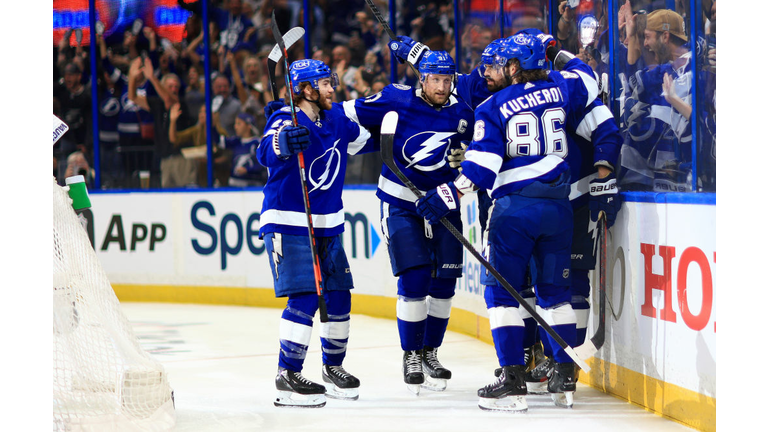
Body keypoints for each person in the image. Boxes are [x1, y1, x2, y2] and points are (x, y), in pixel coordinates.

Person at [415, 32, 618, 412]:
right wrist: (559, 52)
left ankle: (512, 381)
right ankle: (564, 375)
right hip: (558, 210)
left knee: (502, 293)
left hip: (515, 211)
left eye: (497, 65)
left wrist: (445, 196)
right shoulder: (560, 87)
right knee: (554, 295)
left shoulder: (493, 106)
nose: (489, 71)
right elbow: (586, 77)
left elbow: (482, 168)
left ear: (512, 68)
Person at [341, 41, 491, 394]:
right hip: (400, 201)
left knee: (443, 286)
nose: (441, 86)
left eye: (447, 79)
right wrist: (295, 117)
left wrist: (462, 168)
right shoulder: (395, 98)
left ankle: (430, 352)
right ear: (422, 79)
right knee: (415, 277)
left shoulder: (464, 110)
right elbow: (344, 114)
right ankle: (411, 354)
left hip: (444, 202)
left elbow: (480, 153)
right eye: (434, 79)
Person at [256, 58, 374, 408]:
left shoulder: (336, 117)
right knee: (306, 298)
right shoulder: (284, 119)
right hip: (288, 221)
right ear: (305, 90)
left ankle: (332, 367)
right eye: (324, 83)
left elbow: (363, 141)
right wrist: (283, 142)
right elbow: (266, 150)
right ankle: (287, 375)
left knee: (338, 297)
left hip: (327, 224)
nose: (332, 88)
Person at [127, 56, 196, 188]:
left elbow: (169, 100)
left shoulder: (180, 103)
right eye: (170, 86)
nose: (174, 89)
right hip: (164, 158)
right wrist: (132, 77)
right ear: (162, 87)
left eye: (176, 87)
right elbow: (132, 97)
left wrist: (152, 77)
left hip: (181, 159)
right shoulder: (157, 103)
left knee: (184, 193)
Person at [224, 112, 266, 186]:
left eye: (239, 123)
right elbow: (217, 140)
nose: (235, 127)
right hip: (234, 183)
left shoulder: (257, 143)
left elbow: (264, 165)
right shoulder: (235, 141)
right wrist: (212, 125)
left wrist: (247, 170)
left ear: (249, 126)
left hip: (253, 184)